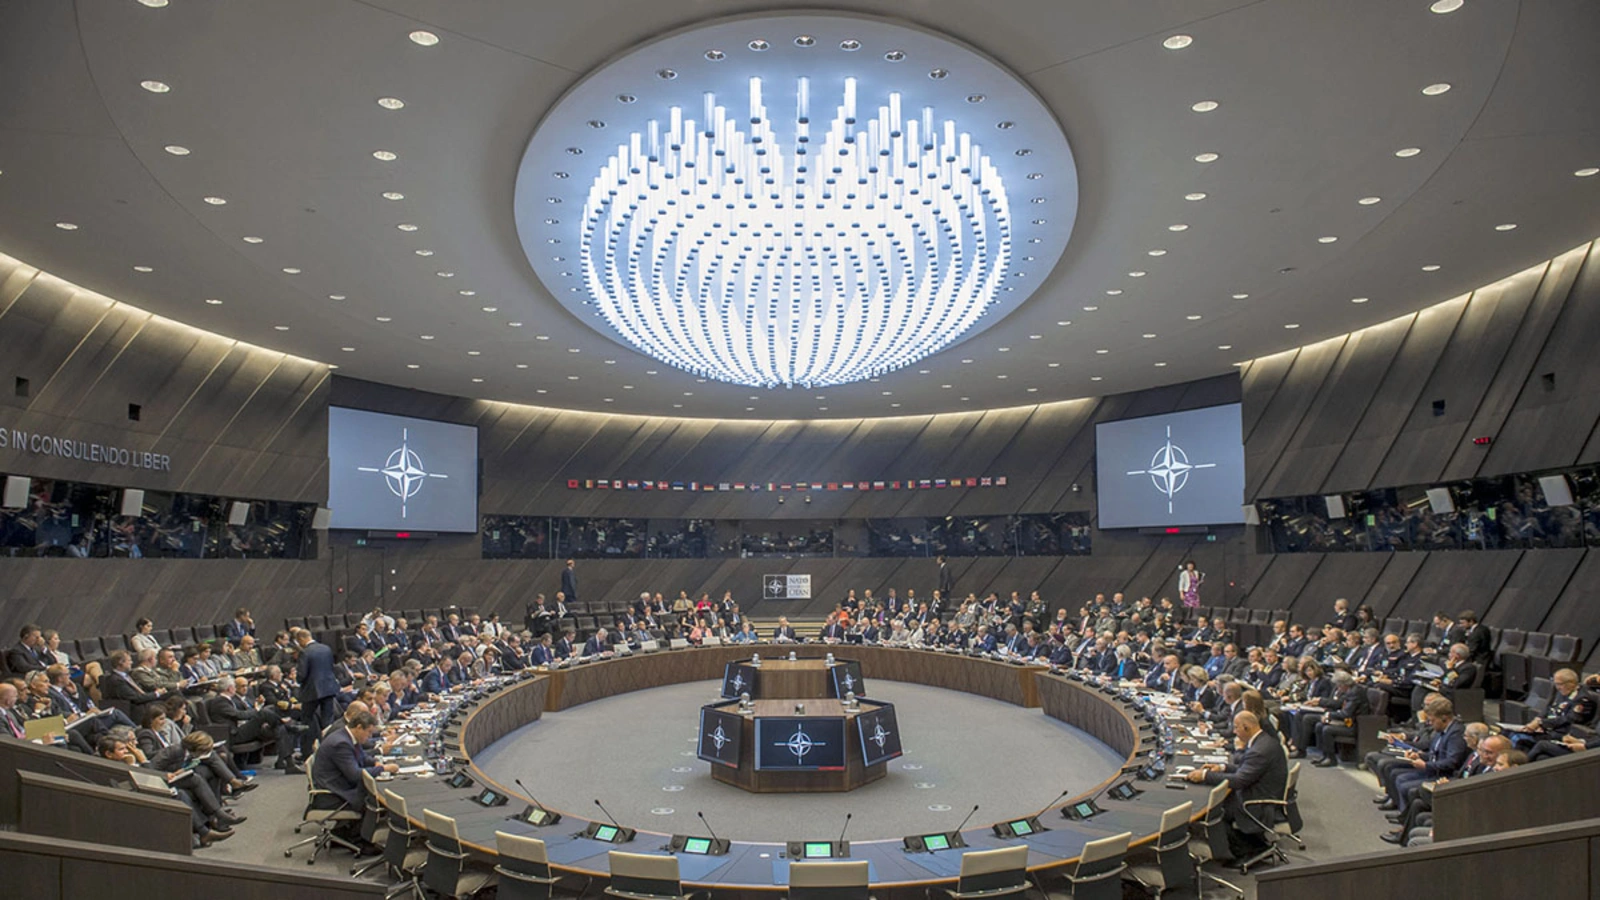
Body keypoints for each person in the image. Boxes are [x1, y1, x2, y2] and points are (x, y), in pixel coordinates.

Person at [1186, 711, 1288, 857]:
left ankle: (1244, 850)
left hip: (1257, 802)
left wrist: (1204, 775)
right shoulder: (1262, 740)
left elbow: (1239, 781)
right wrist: (1222, 767)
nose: (1234, 732)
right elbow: (1247, 769)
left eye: (1236, 728)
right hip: (1260, 790)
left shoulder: (1260, 749)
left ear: (1246, 727)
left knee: (1214, 809)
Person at [293, 627, 340, 735]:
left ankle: (307, 747)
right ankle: (328, 744)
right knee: (328, 720)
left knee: (306, 719)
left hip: (312, 690)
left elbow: (302, 674)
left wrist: (298, 681)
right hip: (329, 687)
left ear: (301, 639)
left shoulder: (305, 652)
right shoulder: (326, 648)